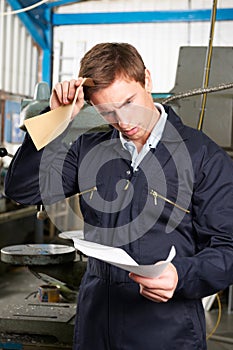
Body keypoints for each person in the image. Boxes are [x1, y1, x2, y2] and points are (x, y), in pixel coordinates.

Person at [4, 42, 233, 350]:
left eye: (128, 103)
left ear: (147, 81)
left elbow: (228, 248)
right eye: (107, 112)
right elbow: (22, 188)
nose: (123, 122)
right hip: (96, 323)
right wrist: (54, 119)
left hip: (167, 330)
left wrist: (183, 275)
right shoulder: (89, 149)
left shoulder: (202, 156)